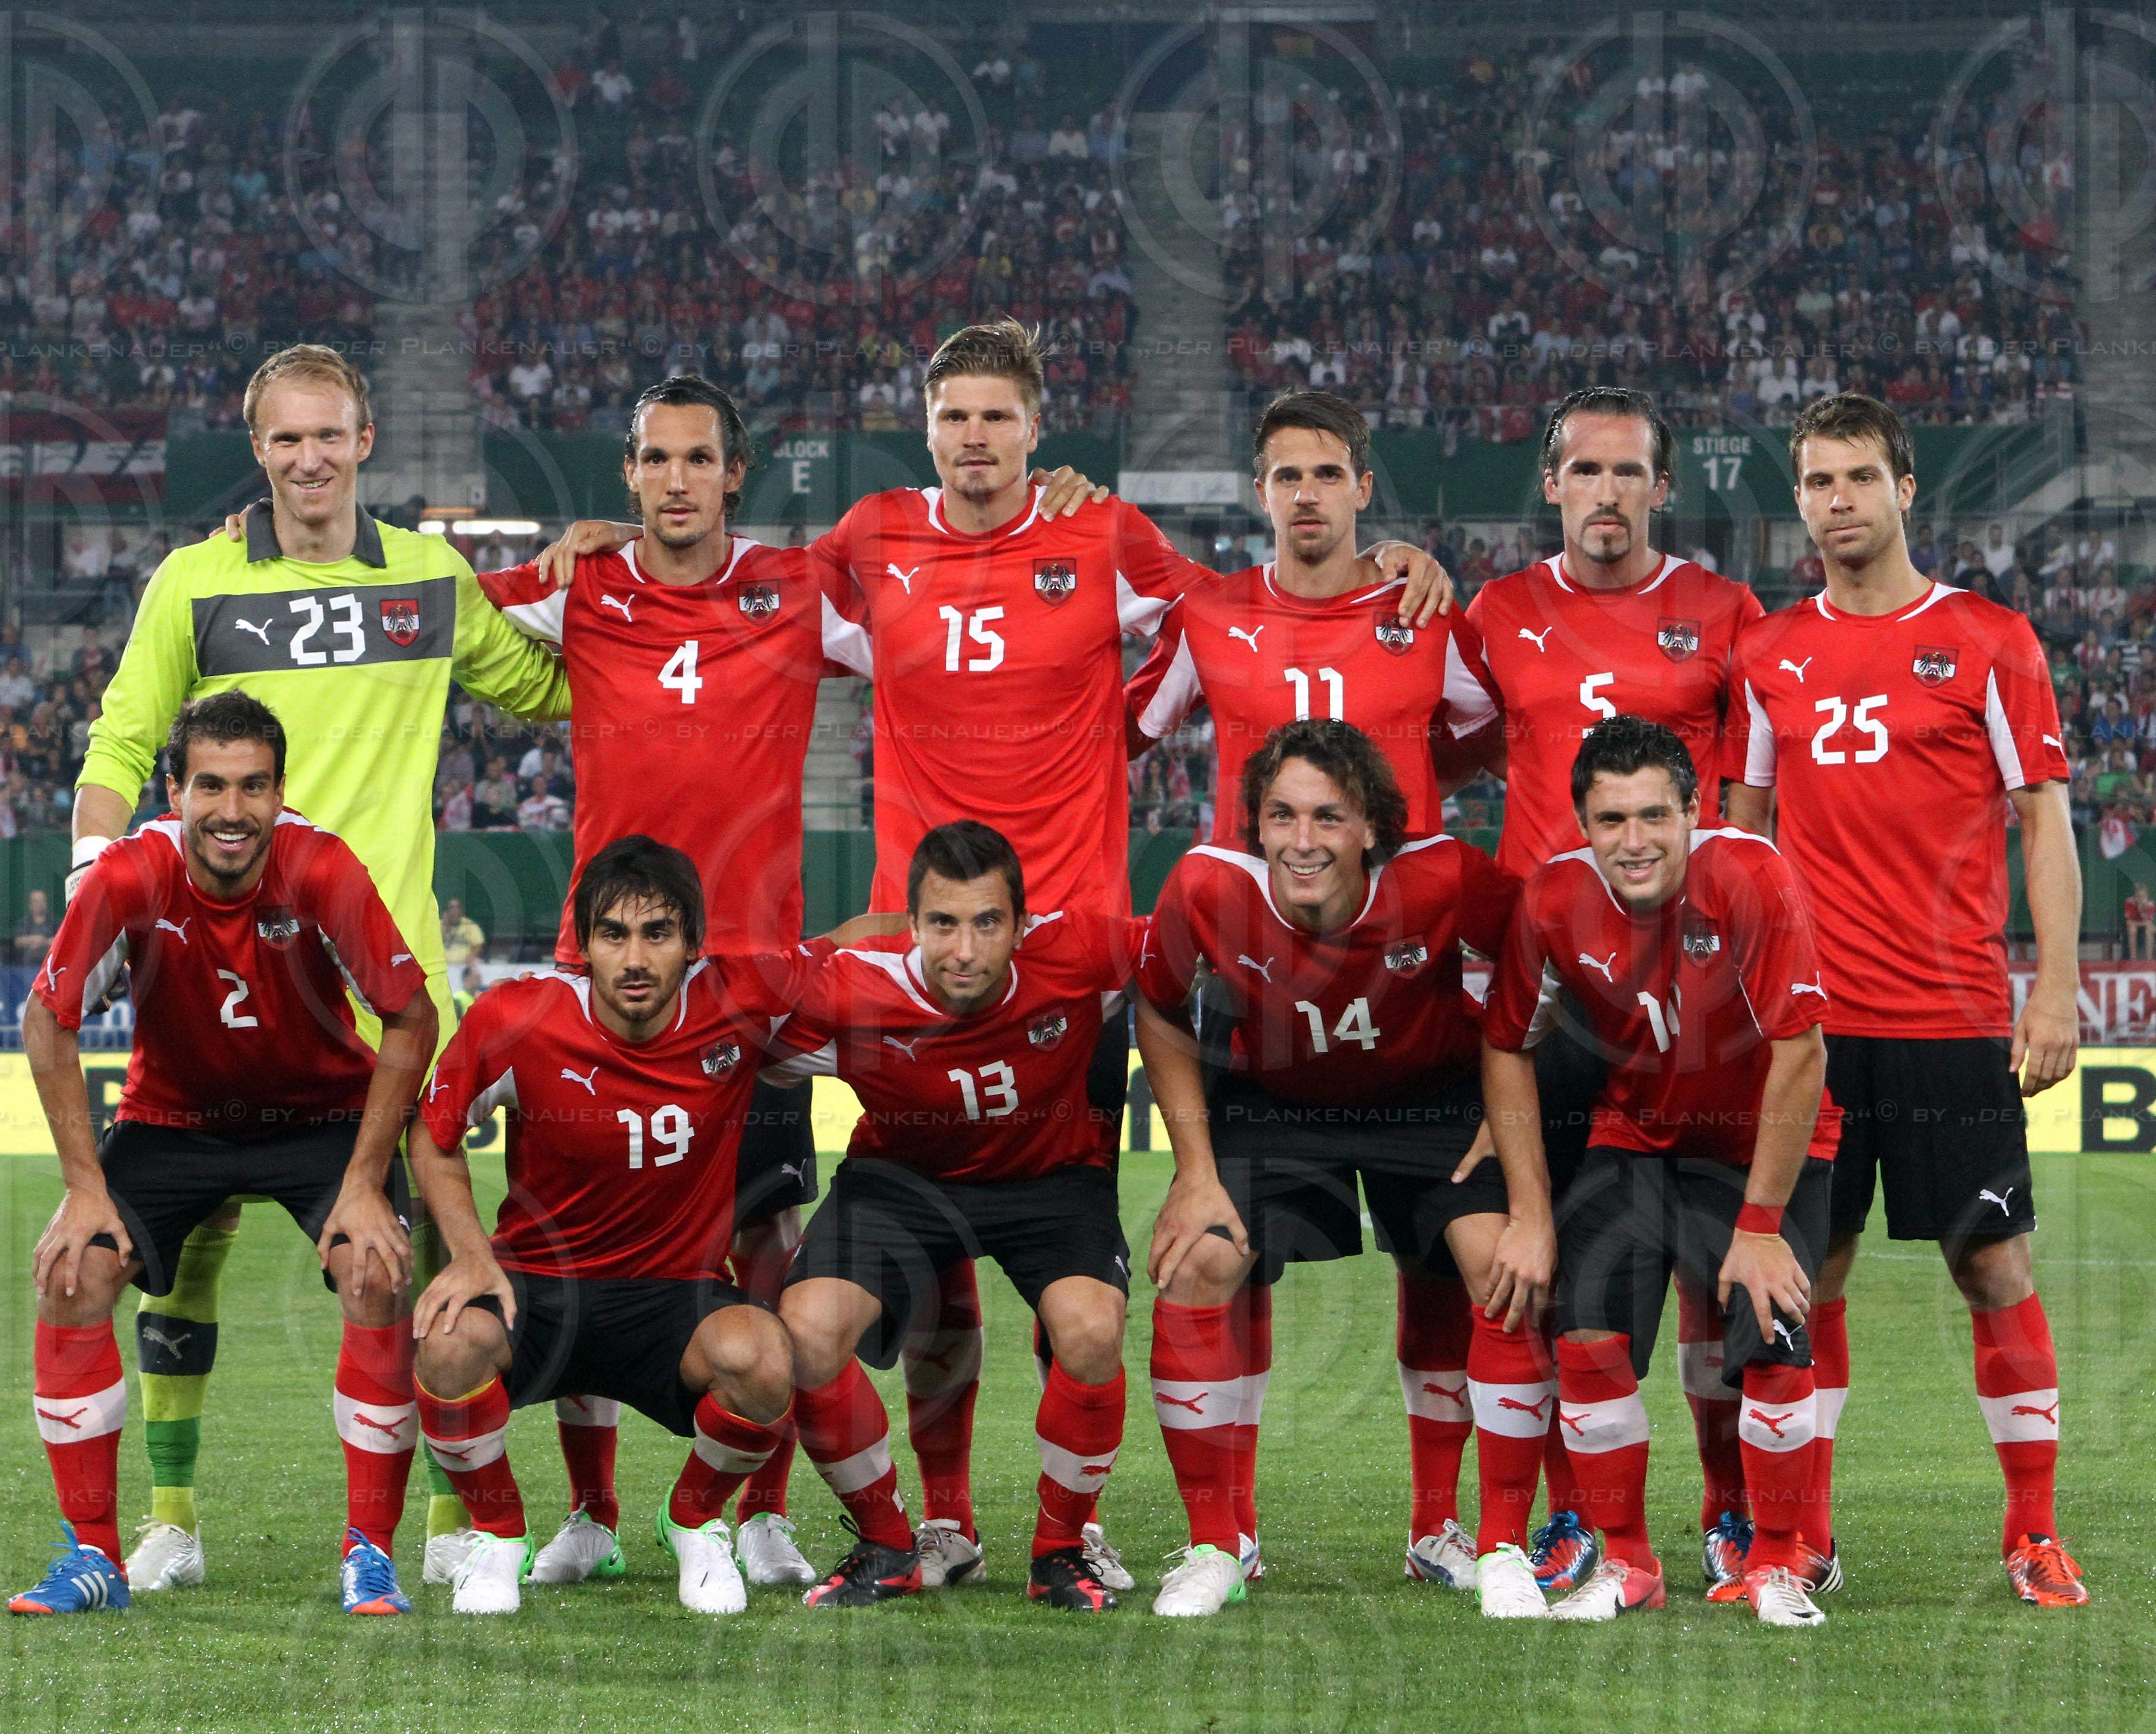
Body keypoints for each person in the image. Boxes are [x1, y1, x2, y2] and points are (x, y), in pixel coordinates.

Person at [530, 322, 1449, 1592]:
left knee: (1054, 1263)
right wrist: (600, 547)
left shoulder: (1105, 537)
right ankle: (939, 1519)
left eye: (997, 419)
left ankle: (1058, 1528)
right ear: (928, 429)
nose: (975, 439)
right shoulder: (863, 542)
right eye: (954, 416)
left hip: (1068, 958)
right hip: (914, 952)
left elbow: (1252, 608)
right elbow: (722, 590)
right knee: (926, 1257)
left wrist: (1386, 559)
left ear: (1037, 431)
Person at [70, 344, 570, 1591]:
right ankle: (172, 1521)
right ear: (260, 448)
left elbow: (545, 687)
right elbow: (124, 739)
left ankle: (455, 1520)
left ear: (366, 438)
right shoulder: (192, 583)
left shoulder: (427, 575)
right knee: (183, 1257)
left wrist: (605, 573)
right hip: (220, 980)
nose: (308, 457)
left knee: (413, 1256)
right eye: (286, 437)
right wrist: (93, 881)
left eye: (329, 434)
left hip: (389, 992)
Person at [475, 377, 874, 1587]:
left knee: (763, 1241)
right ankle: (591, 1515)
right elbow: (437, 613)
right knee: (567, 1248)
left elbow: (936, 631)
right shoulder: (581, 585)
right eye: (656, 458)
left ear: (735, 472)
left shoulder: (797, 588)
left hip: (751, 983)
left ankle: (750, 1509)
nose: (678, 477)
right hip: (597, 978)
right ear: (630, 476)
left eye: (700, 457)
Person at [1122, 388, 1501, 1588]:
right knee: (1209, 1258)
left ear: (1361, 487)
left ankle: (1441, 1524)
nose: (1305, 495)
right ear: (1258, 491)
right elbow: (1119, 727)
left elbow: (1498, 735)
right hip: (1263, 1002)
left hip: (1410, 994)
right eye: (1284, 475)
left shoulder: (1427, 609)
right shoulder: (1208, 614)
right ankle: (1217, 1536)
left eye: (1326, 473)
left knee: (1455, 1263)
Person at [1728, 392, 2088, 1608]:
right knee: (1803, 1278)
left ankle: (2031, 1531)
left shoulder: (1988, 639)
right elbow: (1742, 832)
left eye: (1858, 478)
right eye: (1817, 482)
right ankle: (1802, 1540)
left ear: (1905, 488)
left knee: (1991, 1265)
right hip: (1811, 1035)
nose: (1837, 502)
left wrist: (2054, 986)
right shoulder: (1768, 653)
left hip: (1949, 1017)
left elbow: (2043, 815)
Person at [6, 693, 438, 1616]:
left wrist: (364, 1182)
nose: (232, 810)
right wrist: (85, 1189)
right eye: (211, 786)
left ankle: (371, 1551)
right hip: (176, 1118)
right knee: (72, 1275)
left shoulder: (322, 864)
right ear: (176, 790)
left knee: (376, 1268)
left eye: (253, 787)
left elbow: (412, 1015)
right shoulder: (130, 875)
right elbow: (49, 1016)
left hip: (319, 1115)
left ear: (282, 791)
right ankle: (94, 1557)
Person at [1449, 385, 1769, 1595]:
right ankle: (1554, 1525)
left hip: (1686, 996)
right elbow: (1444, 735)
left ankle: (1730, 1513)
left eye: (1628, 472)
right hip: (1550, 1003)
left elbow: (1742, 807)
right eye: (1583, 470)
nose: (1606, 493)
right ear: (1552, 484)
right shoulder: (1498, 612)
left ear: (1660, 487)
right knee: (1542, 1265)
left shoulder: (1720, 611)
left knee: (1700, 1267)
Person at [1132, 720, 1529, 1619]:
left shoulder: (1446, 878)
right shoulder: (1206, 886)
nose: (1302, 841)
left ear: (1370, 829)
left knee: (1499, 1266)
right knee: (1200, 1261)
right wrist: (1195, 1170)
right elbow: (1156, 1006)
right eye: (1281, 816)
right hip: (1277, 1103)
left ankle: (1474, 1538)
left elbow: (1538, 962)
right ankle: (1218, 1543)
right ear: (1256, 825)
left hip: (1428, 1097)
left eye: (1328, 817)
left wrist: (1514, 1117)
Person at [407, 837, 846, 1616]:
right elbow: (433, 1132)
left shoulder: (739, 1000)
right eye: (614, 935)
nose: (635, 958)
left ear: (692, 946)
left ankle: (693, 1521)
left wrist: (941, 931)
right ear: (584, 945)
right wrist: (471, 1256)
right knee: (445, 1346)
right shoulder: (521, 1016)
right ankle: (500, 1536)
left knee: (766, 1358)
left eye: (658, 934)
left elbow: (850, 948)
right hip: (541, 1291)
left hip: (676, 1300)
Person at [1481, 715, 1835, 1628]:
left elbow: (1802, 1052)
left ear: (1692, 811)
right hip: (1636, 1136)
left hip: (1760, 1144)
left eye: (1653, 817)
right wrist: (1528, 1209)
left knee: (1773, 1335)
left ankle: (1775, 1562)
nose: (1632, 842)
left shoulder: (1752, 876)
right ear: (1581, 824)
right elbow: (1507, 1047)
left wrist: (1758, 1229)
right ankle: (1630, 1563)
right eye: (1609, 821)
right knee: (1587, 1337)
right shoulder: (1553, 900)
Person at [765, 823, 1145, 1612]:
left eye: (986, 923)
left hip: (1049, 1180)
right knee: (803, 1333)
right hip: (900, 1177)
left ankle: (1061, 1552)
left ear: (1021, 923)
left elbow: (1199, 947)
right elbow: (729, 1024)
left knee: (1091, 1331)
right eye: (942, 923)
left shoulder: (1082, 954)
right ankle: (888, 1543)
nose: (964, 949)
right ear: (913, 923)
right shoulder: (853, 986)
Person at [440, 898, 485, 1009]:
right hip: (444, 967)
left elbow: (478, 944)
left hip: (464, 966)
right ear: (446, 911)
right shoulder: (439, 925)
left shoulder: (470, 926)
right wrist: (446, 926)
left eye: (458, 908)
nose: (455, 911)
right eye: (452, 908)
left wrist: (472, 956)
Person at [11, 888, 58, 968]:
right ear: (30, 905)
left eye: (42, 901)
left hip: (49, 966)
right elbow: (17, 941)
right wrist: (33, 939)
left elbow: (60, 940)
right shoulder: (23, 923)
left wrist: (44, 942)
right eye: (36, 902)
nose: (40, 904)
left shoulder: (55, 923)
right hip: (25, 968)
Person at [2121, 883, 2156, 961]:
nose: (2141, 899)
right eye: (2138, 896)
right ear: (2135, 896)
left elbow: (2149, 922)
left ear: (2147, 896)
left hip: (2145, 925)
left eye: (2143, 897)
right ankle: (2133, 959)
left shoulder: (2151, 904)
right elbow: (2129, 922)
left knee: (2149, 930)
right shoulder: (2129, 902)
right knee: (2132, 929)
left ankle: (2149, 960)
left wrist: (2142, 910)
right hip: (2133, 925)